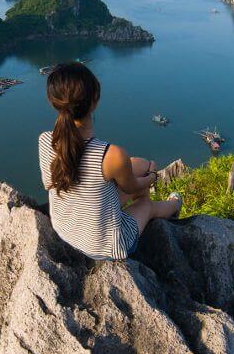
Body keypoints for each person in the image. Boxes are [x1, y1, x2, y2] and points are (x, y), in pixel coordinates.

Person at [38, 62, 181, 260]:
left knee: (138, 164)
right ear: (94, 100)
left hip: (65, 229)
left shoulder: (46, 140)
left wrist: (145, 170)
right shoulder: (110, 155)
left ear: (53, 101)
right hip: (104, 247)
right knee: (147, 205)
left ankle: (143, 198)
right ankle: (175, 205)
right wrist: (153, 176)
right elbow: (131, 187)